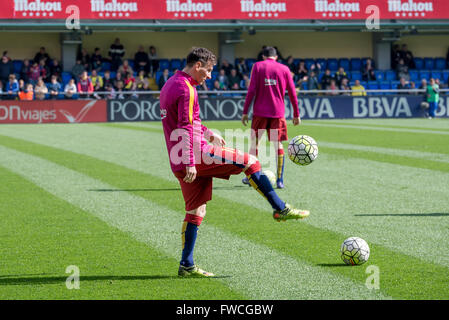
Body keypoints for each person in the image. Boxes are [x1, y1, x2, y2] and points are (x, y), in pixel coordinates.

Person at [159, 47, 309, 278]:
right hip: (195, 155)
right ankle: (281, 209)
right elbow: (186, 126)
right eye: (208, 71)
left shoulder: (171, 83)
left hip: (178, 157)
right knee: (251, 162)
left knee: (196, 210)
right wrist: (191, 160)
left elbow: (185, 120)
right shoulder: (187, 89)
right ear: (197, 66)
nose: (209, 76)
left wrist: (208, 133)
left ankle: (186, 264)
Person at [241, 46, 301, 189]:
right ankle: (280, 180)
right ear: (276, 57)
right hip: (277, 113)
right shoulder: (284, 69)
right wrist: (296, 114)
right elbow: (292, 92)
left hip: (259, 113)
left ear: (263, 56)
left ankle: (251, 178)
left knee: (254, 145)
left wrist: (245, 111)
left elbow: (251, 90)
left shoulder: (258, 66)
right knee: (278, 145)